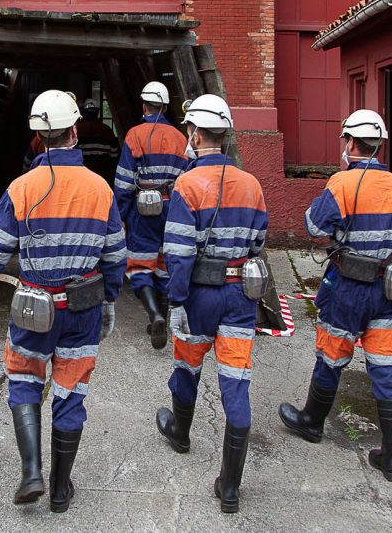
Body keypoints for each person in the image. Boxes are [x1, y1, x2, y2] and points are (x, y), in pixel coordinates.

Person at [0, 89, 127, 513]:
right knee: (71, 389)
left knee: (24, 377)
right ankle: (59, 488)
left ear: (38, 137)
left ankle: (31, 470)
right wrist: (109, 300)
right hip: (83, 308)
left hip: (33, 306)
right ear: (74, 131)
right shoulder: (100, 189)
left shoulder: (21, 187)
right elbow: (115, 255)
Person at [278, 109, 392, 483]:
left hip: (348, 288)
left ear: (351, 143)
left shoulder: (341, 183)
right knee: (386, 366)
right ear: (380, 145)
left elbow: (313, 226)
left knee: (332, 354)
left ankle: (312, 421)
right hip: (389, 289)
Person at [154, 94, 268, 514]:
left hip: (199, 295)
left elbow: (180, 253)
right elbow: (258, 243)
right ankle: (231, 487)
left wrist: (177, 300)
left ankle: (181, 433)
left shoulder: (187, 185)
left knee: (187, 366)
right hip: (240, 297)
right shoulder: (253, 184)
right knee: (236, 379)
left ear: (195, 133)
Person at [114, 82, 188, 349]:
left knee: (139, 263)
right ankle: (164, 320)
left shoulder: (134, 135)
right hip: (172, 207)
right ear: (166, 108)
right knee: (165, 262)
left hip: (143, 209)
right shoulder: (181, 139)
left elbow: (124, 182)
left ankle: (154, 314)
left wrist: (120, 215)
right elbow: (187, 180)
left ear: (144, 106)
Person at [75, 98, 120, 184]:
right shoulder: (107, 131)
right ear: (98, 112)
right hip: (102, 177)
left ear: (84, 112)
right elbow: (114, 155)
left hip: (81, 177)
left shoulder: (77, 131)